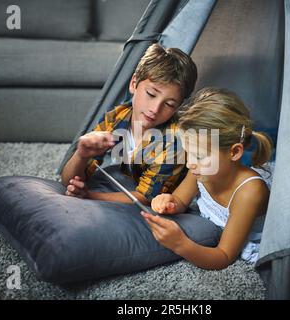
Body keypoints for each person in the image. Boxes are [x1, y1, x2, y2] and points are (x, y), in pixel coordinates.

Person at [141, 88, 273, 268]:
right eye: (189, 154)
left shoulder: (249, 192)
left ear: (234, 152)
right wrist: (167, 202)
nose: (190, 164)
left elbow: (224, 256)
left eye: (199, 156)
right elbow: (180, 200)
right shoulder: (201, 169)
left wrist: (180, 244)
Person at [61, 43, 198, 205]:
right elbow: (67, 180)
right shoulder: (117, 116)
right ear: (134, 84)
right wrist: (81, 155)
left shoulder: (174, 141)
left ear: (178, 107)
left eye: (169, 104)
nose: (155, 109)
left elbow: (148, 197)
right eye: (151, 94)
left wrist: (90, 196)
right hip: (130, 180)